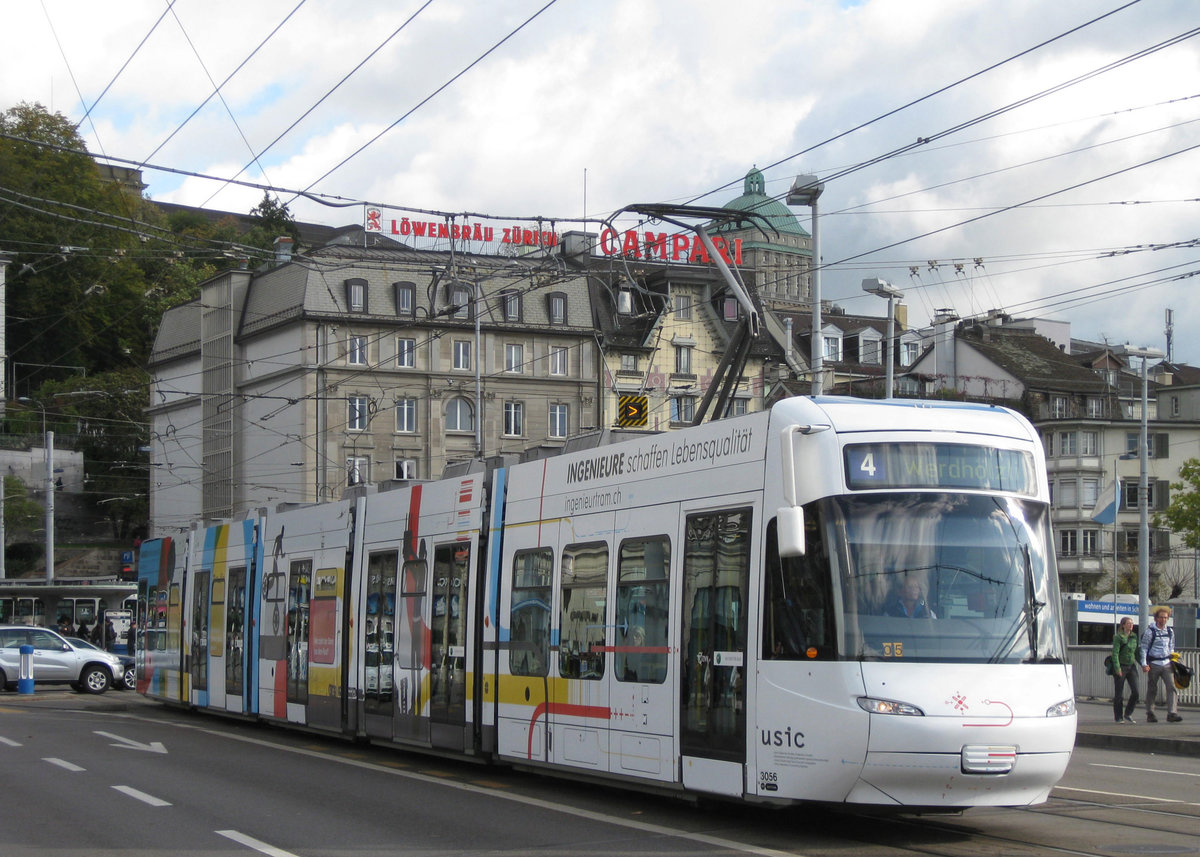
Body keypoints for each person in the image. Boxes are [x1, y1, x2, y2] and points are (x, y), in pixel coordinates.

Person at [1140, 606, 1181, 723]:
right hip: (1154, 663)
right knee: (1152, 688)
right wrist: (1144, 663)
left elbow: (1171, 646)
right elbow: (1144, 648)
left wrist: (1174, 659)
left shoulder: (1169, 631)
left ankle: (1172, 713)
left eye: (1165, 617)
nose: (1163, 620)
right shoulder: (1150, 631)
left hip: (1167, 663)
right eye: (1161, 617)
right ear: (1156, 618)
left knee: (1171, 687)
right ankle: (1150, 712)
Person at [1111, 615, 1140, 723]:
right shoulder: (1118, 637)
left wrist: (1143, 664)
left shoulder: (1134, 636)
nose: (1131, 625)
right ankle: (1118, 717)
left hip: (1131, 666)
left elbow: (1136, 652)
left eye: (1132, 623)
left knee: (1136, 692)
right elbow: (1115, 653)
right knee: (1119, 693)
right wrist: (1117, 668)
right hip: (1121, 666)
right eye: (1128, 623)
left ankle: (1128, 713)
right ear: (1123, 625)